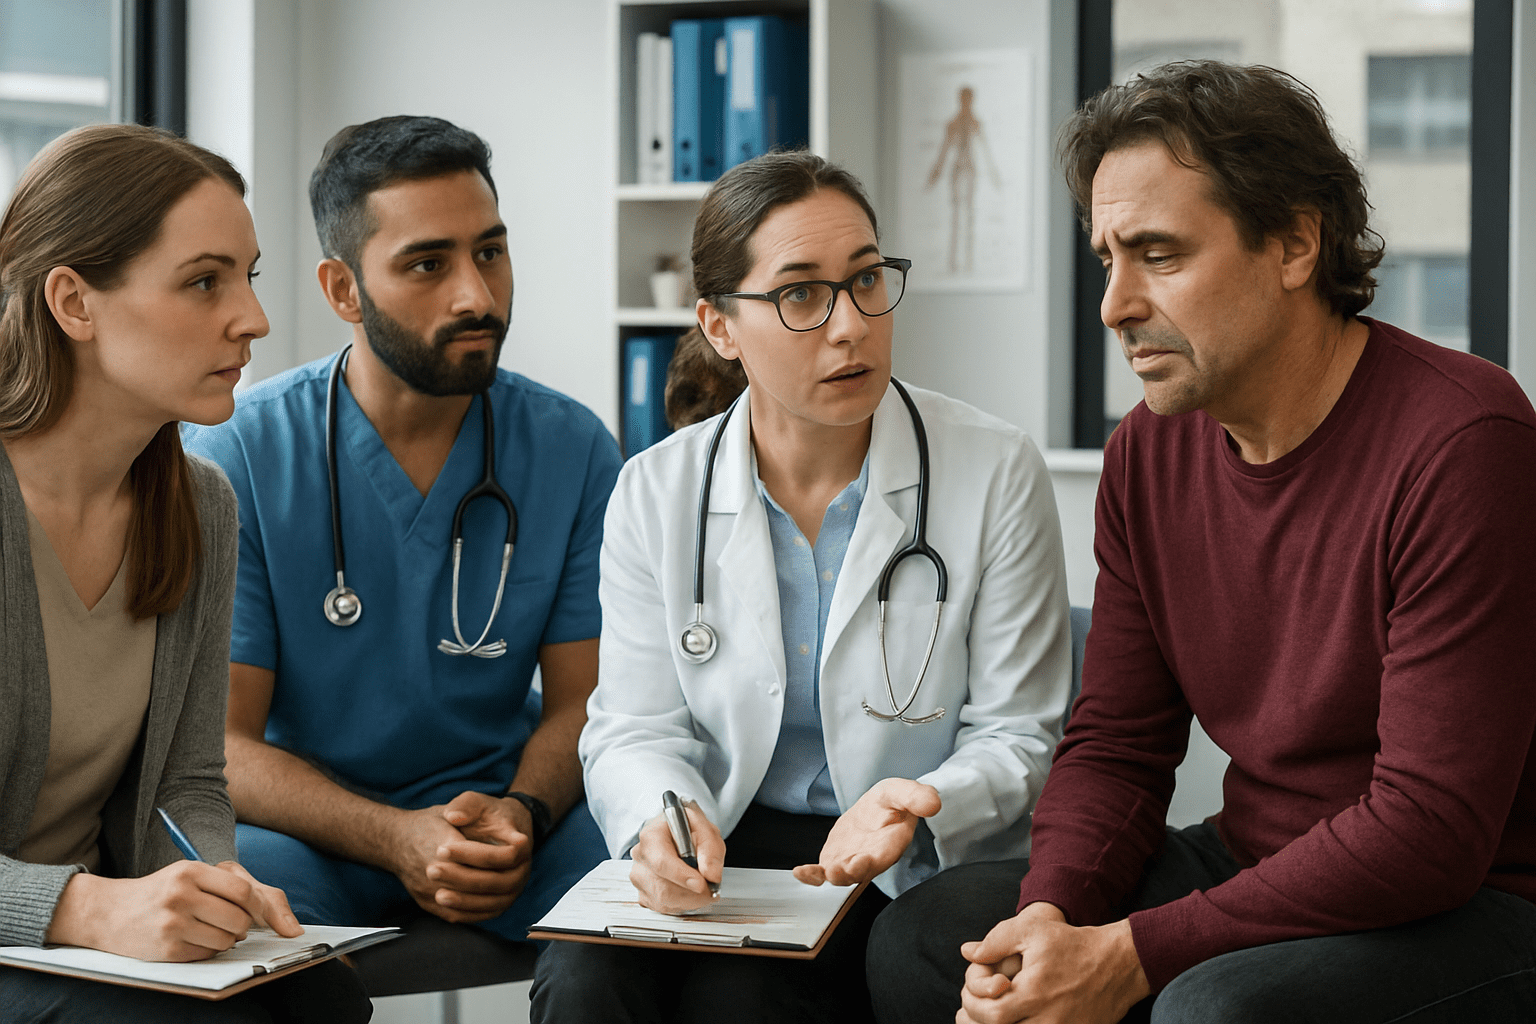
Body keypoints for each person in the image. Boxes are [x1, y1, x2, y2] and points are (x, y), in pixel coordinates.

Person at [868, 60, 1536, 1024]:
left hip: (1473, 901)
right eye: (1107, 258)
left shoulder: (1467, 442)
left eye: (1160, 254)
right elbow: (1117, 746)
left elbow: (1428, 831)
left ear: (1296, 243)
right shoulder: (1146, 454)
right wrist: (1055, 916)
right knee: (937, 939)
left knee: (1214, 1010)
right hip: (1261, 856)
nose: (1115, 305)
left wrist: (1134, 955)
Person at [530, 150, 1072, 1024]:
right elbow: (632, 726)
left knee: (741, 1000)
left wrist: (922, 801)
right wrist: (657, 823)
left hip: (890, 853)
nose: (850, 324)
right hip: (720, 834)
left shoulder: (993, 469)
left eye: (866, 280)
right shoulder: (654, 490)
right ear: (718, 326)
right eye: (800, 295)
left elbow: (1017, 734)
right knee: (581, 983)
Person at [182, 116, 620, 946]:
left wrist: (522, 812)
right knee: (240, 922)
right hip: (310, 830)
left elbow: (588, 703)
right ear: (343, 290)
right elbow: (222, 746)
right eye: (428, 263)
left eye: (489, 251)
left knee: (639, 899)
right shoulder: (239, 455)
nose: (476, 296)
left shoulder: (571, 448)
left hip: (512, 818)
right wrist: (393, 836)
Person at [0, 125, 371, 1022]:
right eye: (205, 281)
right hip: (42, 935)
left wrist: (210, 888)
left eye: (247, 276)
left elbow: (188, 784)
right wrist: (84, 907)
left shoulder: (199, 505)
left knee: (317, 1001)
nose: (254, 318)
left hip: (89, 936)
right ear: (73, 302)